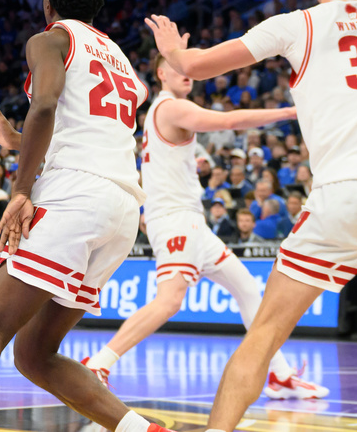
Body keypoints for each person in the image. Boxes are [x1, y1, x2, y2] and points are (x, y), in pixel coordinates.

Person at [145, 0, 357, 432]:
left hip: (345, 196)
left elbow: (199, 65)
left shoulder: (295, 25)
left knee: (263, 336)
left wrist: (172, 49)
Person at [0, 0, 171, 432]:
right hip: (122, 209)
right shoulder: (122, 62)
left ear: (47, 2)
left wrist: (21, 190)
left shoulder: (51, 39)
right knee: (35, 354)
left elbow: (44, 103)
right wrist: (13, 140)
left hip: (74, 198)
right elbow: (79, 134)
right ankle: (139, 430)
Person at [79, 55, 325, 400]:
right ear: (161, 74)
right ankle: (98, 364)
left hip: (191, 222)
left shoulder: (163, 113)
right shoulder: (169, 108)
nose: (186, 75)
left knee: (248, 290)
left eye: (189, 69)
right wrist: (289, 112)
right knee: (169, 302)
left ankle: (281, 375)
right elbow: (228, 121)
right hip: (176, 220)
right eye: (177, 68)